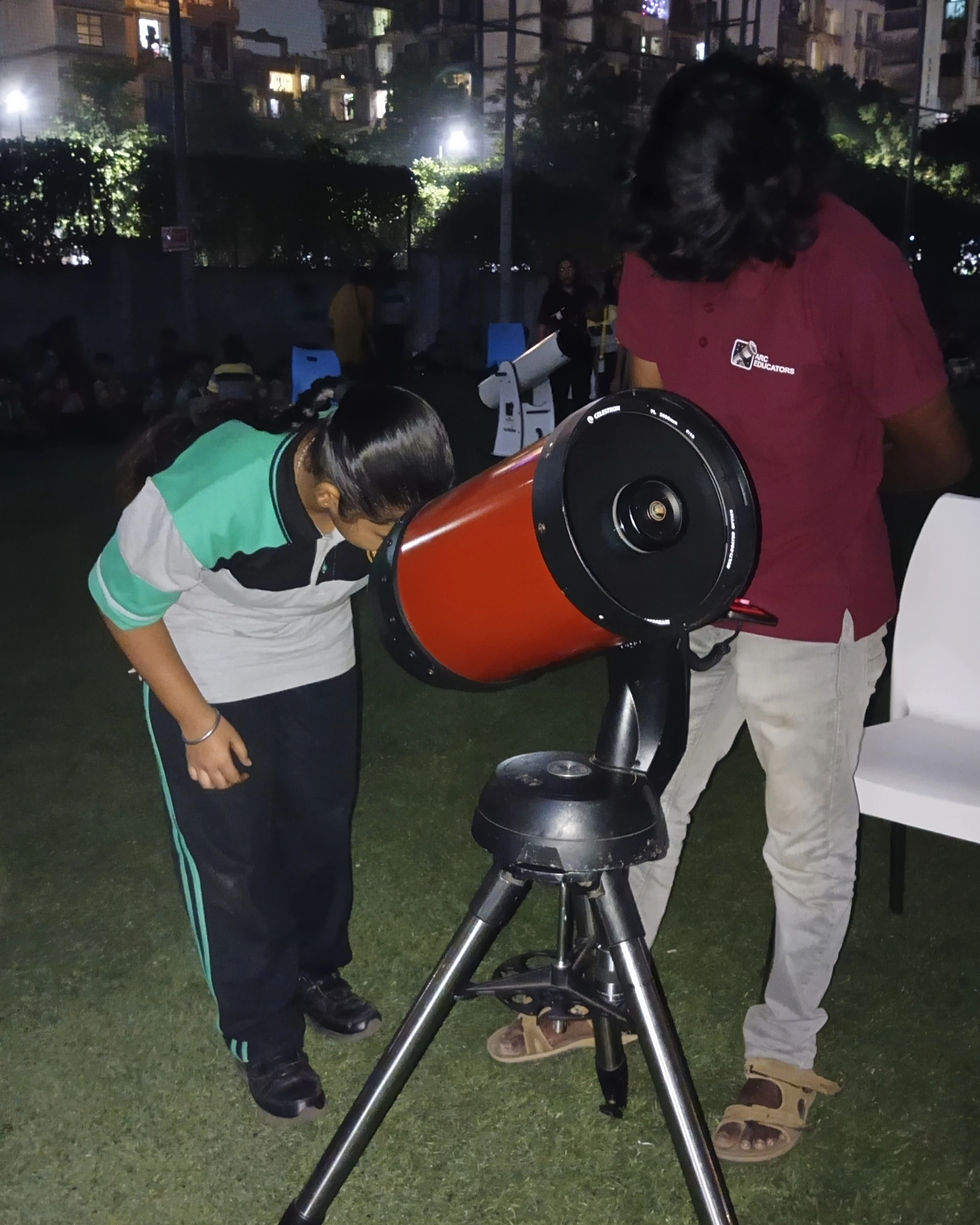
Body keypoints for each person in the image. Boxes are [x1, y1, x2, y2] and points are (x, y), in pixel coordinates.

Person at [487, 52, 969, 1163]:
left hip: (815, 604)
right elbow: (656, 422)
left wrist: (829, 499)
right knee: (642, 801)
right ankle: (604, 988)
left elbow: (939, 448)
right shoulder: (662, 241)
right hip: (689, 599)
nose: (679, 254)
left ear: (767, 196)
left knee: (803, 838)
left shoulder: (850, 265)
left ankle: (783, 1050)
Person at [88, 385, 455, 1120]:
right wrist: (196, 723)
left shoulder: (384, 492)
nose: (400, 542)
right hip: (209, 664)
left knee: (320, 829)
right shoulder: (218, 491)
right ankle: (264, 1034)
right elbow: (118, 596)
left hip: (317, 657)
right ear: (327, 493)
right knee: (235, 859)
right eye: (387, 528)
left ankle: (315, 972)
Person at [537, 257, 598, 421]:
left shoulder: (586, 293)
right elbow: (543, 325)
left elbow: (597, 316)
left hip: (582, 354)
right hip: (558, 355)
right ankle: (559, 438)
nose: (566, 273)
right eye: (562, 269)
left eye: (569, 268)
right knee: (559, 400)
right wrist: (543, 354)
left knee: (582, 399)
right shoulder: (551, 296)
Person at [328, 268, 374, 378]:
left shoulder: (341, 291)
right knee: (360, 372)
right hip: (357, 340)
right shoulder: (366, 292)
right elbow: (369, 319)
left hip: (340, 340)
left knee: (345, 372)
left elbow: (331, 316)